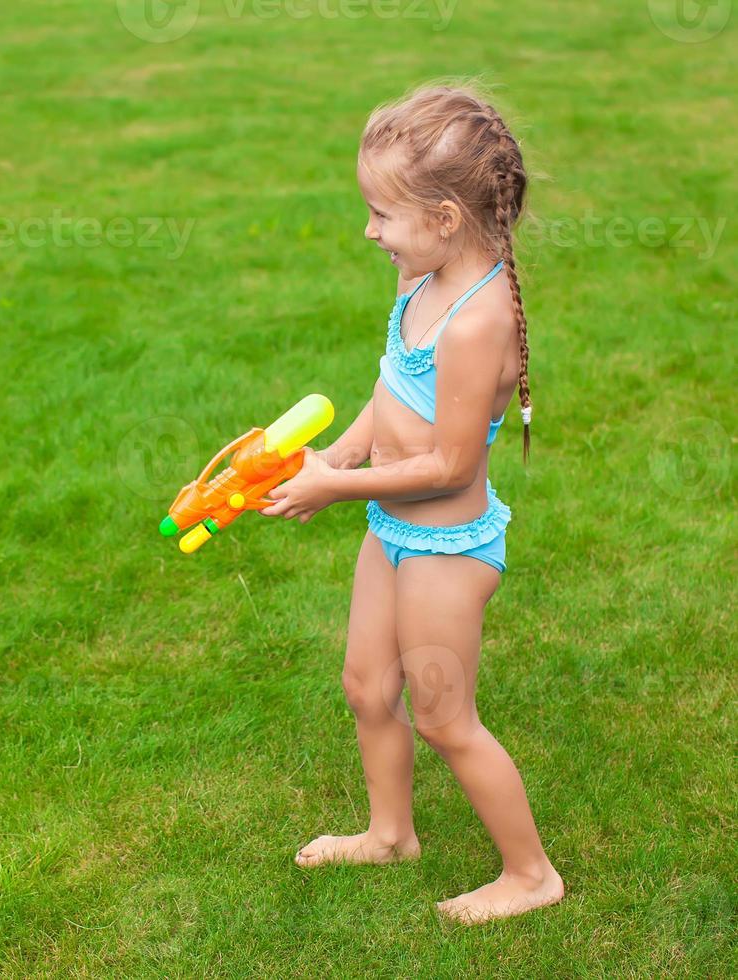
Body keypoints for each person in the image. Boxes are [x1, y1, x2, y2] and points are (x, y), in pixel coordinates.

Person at [259, 84, 565, 925]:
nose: (369, 231)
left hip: (444, 547)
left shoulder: (477, 321)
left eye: (380, 214)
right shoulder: (419, 277)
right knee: (366, 688)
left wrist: (335, 486)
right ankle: (391, 834)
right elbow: (392, 389)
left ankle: (531, 874)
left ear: (442, 218)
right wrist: (343, 454)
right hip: (390, 531)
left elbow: (448, 463)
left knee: (443, 717)